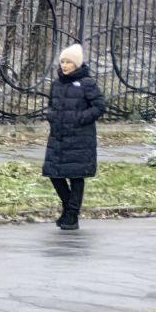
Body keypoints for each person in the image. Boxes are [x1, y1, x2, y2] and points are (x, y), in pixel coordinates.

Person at [43, 43, 106, 231]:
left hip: (80, 138)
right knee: (54, 174)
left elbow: (100, 107)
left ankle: (71, 215)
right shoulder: (56, 84)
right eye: (62, 61)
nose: (64, 65)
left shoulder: (87, 83)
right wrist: (52, 116)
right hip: (59, 137)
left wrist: (80, 118)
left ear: (76, 64)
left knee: (76, 176)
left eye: (68, 62)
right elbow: (51, 106)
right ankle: (69, 210)